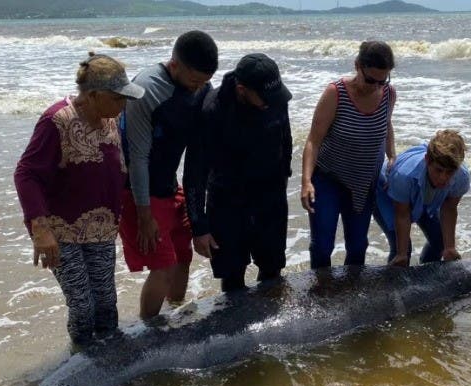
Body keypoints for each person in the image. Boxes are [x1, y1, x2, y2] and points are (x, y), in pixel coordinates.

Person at [14, 53, 145, 345]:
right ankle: (82, 372)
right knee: (83, 307)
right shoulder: (56, 121)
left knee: (107, 305)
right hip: (62, 233)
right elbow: (26, 174)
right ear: (95, 95)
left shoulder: (109, 118)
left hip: (101, 230)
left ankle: (111, 364)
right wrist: (40, 229)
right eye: (118, 98)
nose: (124, 105)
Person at [119, 30, 218, 319]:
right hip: (139, 191)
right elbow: (137, 159)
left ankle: (176, 313)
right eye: (194, 81)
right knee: (162, 266)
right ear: (174, 65)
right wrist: (144, 215)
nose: (199, 88)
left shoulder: (198, 85)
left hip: (169, 185)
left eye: (204, 82)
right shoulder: (145, 91)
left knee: (182, 257)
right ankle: (149, 332)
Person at [184, 53, 293, 291]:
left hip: (270, 197)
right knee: (232, 277)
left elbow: (285, 141)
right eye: (263, 98)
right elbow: (195, 172)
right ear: (242, 89)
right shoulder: (212, 110)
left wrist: (284, 177)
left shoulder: (274, 98)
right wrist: (199, 227)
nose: (270, 103)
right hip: (227, 202)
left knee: (272, 270)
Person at [300, 40, 396, 269]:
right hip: (328, 179)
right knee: (322, 245)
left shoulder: (388, 94)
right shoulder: (336, 93)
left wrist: (392, 157)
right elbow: (314, 140)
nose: (376, 86)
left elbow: (387, 125)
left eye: (383, 80)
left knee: (357, 246)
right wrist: (306, 182)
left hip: (364, 182)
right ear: (357, 66)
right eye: (370, 79)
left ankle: (352, 295)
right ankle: (320, 292)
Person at [373, 129, 470, 267]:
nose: (443, 178)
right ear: (427, 160)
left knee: (441, 242)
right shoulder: (404, 175)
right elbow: (402, 214)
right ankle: (392, 284)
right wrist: (401, 255)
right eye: (439, 170)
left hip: (423, 197)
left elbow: (449, 209)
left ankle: (427, 272)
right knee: (403, 250)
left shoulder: (461, 177)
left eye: (449, 172)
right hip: (387, 193)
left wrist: (450, 248)